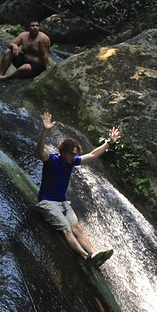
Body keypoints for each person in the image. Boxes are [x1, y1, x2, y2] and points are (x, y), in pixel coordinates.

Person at [35, 112, 121, 267]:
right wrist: (46, 131)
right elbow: (40, 150)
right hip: (47, 202)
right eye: (72, 154)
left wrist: (109, 142)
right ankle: (86, 257)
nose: (74, 157)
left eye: (76, 154)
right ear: (63, 152)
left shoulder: (72, 162)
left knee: (77, 227)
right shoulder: (51, 160)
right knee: (67, 229)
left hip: (62, 203)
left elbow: (93, 155)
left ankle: (95, 255)